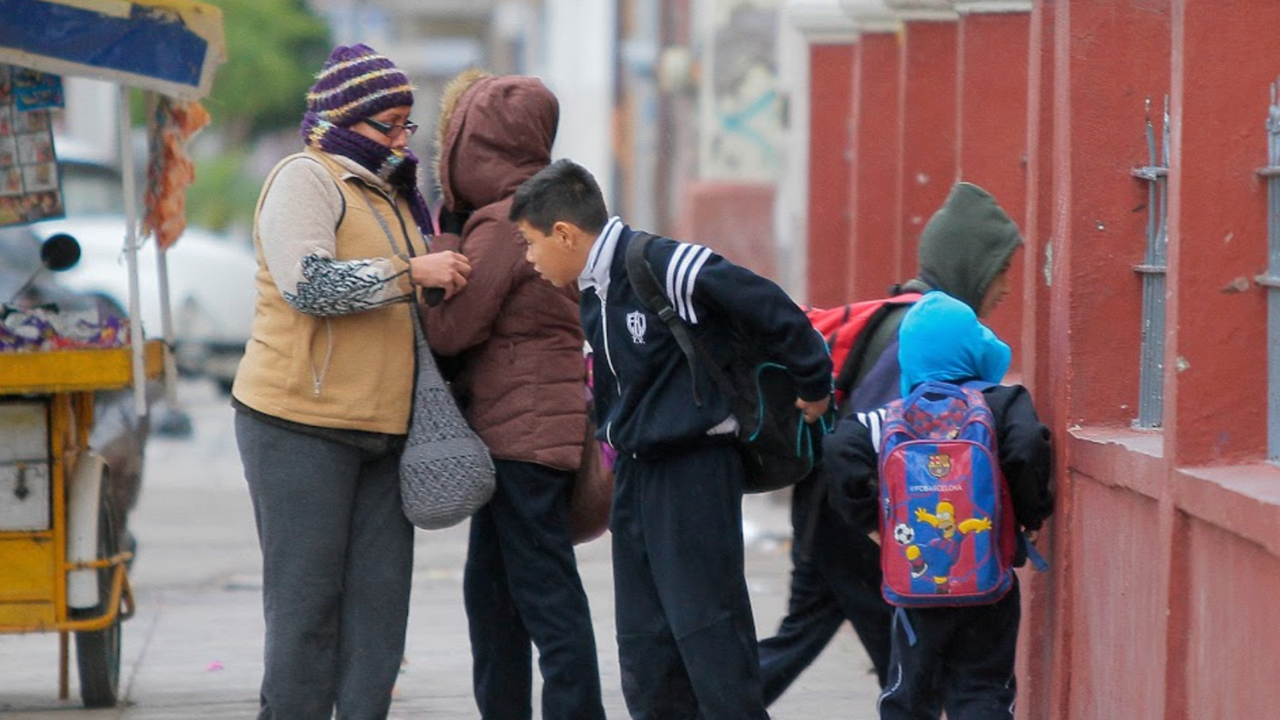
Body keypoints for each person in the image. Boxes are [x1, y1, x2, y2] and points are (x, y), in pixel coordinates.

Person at [508, 158, 833, 720]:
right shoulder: (594, 292)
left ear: (564, 232)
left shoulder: (663, 265)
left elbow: (769, 304)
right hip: (636, 476)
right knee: (645, 647)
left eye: (530, 243)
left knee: (711, 637)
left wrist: (814, 382)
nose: (529, 258)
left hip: (694, 471)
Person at [230, 44, 471, 720]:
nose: (399, 140)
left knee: (379, 619)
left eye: (406, 126)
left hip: (385, 432)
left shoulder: (393, 191)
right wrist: (409, 273)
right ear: (341, 117)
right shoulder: (305, 179)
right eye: (386, 125)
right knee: (307, 611)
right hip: (297, 426)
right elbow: (308, 285)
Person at [757, 181, 1024, 705]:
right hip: (858, 527)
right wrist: (878, 530)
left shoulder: (907, 317)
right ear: (971, 265)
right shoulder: (919, 336)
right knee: (909, 677)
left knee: (804, 641)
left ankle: (700, 704)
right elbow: (882, 446)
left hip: (825, 515)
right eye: (1003, 271)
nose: (1008, 287)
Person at [422, 70, 606, 720]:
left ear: (478, 145)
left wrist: (443, 240)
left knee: (541, 601)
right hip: (535, 433)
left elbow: (449, 329)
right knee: (500, 600)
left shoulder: (500, 227)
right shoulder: (543, 209)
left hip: (519, 441)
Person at [829, 290, 1054, 719]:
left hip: (916, 587)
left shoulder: (894, 416)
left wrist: (872, 522)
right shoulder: (1002, 402)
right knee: (983, 688)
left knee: (909, 693)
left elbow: (840, 448)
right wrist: (1030, 515)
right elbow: (1027, 446)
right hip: (988, 579)